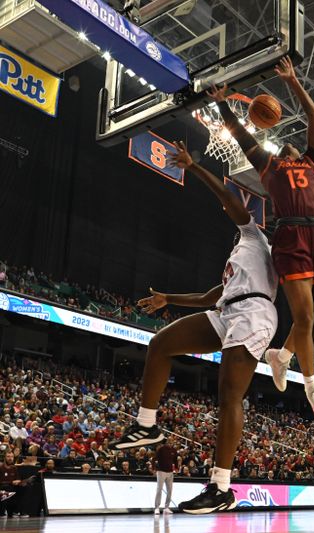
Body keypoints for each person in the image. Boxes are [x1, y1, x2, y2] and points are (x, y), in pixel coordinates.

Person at [109, 143, 279, 514]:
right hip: (229, 309)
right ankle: (147, 424)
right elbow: (209, 296)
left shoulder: (255, 237)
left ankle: (220, 487)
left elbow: (227, 197)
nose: (228, 212)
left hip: (254, 313)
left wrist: (195, 166)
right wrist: (168, 298)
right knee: (161, 343)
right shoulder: (239, 256)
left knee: (228, 397)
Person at [208, 56, 314, 420]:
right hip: (291, 235)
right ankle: (311, 386)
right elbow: (239, 132)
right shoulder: (269, 165)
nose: (288, 148)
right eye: (284, 148)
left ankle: (283, 355)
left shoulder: (313, 161)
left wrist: (292, 81)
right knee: (306, 317)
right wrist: (220, 104)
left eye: (291, 147)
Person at [154, 441, 177, 514]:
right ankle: (157, 507)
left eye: (172, 442)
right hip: (161, 471)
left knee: (170, 490)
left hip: (170, 472)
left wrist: (176, 468)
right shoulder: (161, 449)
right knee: (159, 489)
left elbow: (175, 460)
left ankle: (166, 507)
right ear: (166, 442)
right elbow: (154, 459)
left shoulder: (174, 450)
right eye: (169, 441)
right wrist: (154, 468)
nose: (171, 443)